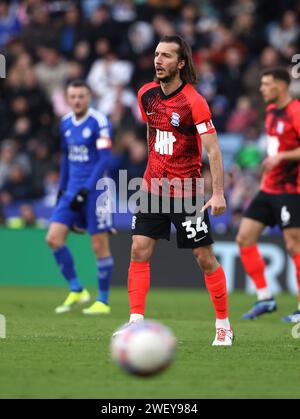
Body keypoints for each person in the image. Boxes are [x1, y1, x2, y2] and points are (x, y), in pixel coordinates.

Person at [114, 35, 234, 346]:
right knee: (139, 249)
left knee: (203, 257)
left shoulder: (194, 101)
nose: (158, 60)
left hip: (188, 192)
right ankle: (135, 322)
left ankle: (223, 324)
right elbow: (154, 130)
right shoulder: (146, 95)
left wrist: (218, 193)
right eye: (156, 54)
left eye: (167, 56)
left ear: (181, 63)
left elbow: (214, 151)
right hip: (152, 188)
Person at [236, 67, 300, 322]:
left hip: (291, 189)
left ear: (281, 86)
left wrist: (283, 157)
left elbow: (283, 152)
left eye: (266, 84)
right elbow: (275, 148)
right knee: (244, 237)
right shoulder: (271, 112)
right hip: (269, 188)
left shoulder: (296, 111)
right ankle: (265, 298)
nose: (261, 89)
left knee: (294, 245)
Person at [46, 80, 114, 315]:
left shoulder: (100, 122)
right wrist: (62, 189)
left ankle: (103, 301)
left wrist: (86, 190)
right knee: (53, 238)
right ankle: (76, 289)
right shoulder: (65, 123)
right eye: (72, 97)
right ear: (67, 98)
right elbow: (65, 158)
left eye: (81, 96)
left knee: (98, 245)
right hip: (71, 191)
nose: (76, 101)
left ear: (89, 97)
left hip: (96, 192)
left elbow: (105, 159)